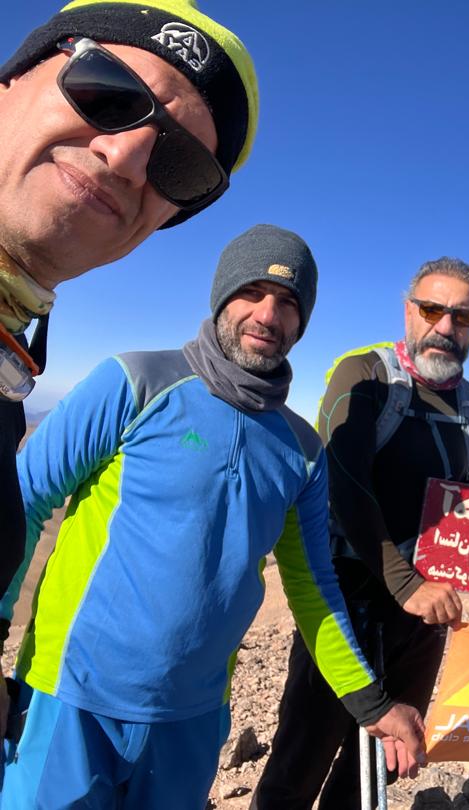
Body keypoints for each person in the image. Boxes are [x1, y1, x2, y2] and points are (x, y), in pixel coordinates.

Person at [0, 225, 426, 808]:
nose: (268, 314)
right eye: (252, 291)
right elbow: (21, 501)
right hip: (69, 696)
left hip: (192, 721)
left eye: (289, 302)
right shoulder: (134, 383)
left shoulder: (302, 451)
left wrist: (370, 704)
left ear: (302, 322)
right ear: (222, 294)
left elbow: (313, 587)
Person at [0, 0, 260, 731]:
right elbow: (35, 496)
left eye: (179, 164)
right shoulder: (132, 385)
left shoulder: (13, 368)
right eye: (107, 91)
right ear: (12, 78)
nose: (126, 158)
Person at [252, 257, 469, 809]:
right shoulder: (365, 375)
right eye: (432, 310)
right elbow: (345, 484)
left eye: (462, 317)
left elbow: (457, 480)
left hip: (422, 618)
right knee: (303, 755)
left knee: (380, 766)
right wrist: (406, 585)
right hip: (349, 597)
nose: (445, 327)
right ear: (409, 311)